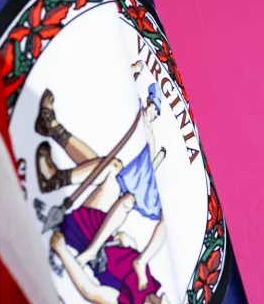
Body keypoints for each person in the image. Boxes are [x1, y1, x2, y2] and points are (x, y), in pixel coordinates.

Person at [35, 66, 167, 290]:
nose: (150, 110)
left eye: (153, 107)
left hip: (92, 226)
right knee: (110, 166)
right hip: (110, 213)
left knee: (111, 168)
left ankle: (56, 175)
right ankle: (52, 132)